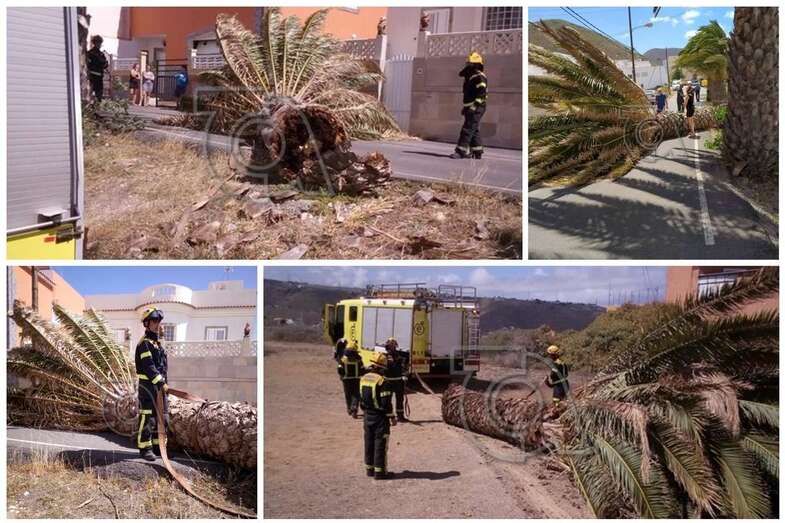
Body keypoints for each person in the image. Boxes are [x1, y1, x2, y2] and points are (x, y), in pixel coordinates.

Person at [135, 307, 169, 461]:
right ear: (147, 324)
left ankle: (158, 446)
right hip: (148, 388)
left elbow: (162, 368)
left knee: (162, 418)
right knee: (147, 418)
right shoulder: (145, 344)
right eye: (154, 321)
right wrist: (161, 382)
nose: (157, 324)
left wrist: (164, 384)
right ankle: (145, 448)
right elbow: (149, 367)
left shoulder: (158, 345)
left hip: (160, 388)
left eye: (158, 321)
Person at [359, 352, 396, 479]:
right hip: (380, 418)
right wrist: (392, 416)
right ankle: (380, 472)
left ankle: (369, 470)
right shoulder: (383, 382)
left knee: (368, 442)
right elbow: (386, 404)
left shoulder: (364, 378)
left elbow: (361, 400)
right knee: (380, 443)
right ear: (382, 367)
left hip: (367, 416)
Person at [450, 52, 487, 160]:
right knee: (473, 129)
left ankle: (460, 152)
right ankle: (477, 151)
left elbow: (482, 94)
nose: (467, 65)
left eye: (470, 64)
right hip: (470, 107)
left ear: (476, 65)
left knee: (467, 129)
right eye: (467, 63)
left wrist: (473, 107)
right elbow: (461, 74)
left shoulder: (479, 77)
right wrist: (465, 108)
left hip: (477, 107)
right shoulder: (470, 76)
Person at [338, 344, 365, 418]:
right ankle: (354, 408)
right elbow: (362, 369)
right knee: (356, 394)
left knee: (348, 394)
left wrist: (342, 376)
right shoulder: (359, 359)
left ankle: (349, 409)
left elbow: (340, 369)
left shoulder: (343, 359)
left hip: (346, 380)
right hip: (356, 379)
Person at [384, 337, 408, 422]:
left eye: (392, 346)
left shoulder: (400, 357)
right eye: (389, 346)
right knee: (387, 400)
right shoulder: (384, 357)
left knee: (400, 399)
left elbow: (404, 368)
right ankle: (388, 416)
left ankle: (400, 416)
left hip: (398, 381)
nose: (391, 348)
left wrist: (404, 375)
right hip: (388, 381)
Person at [86, 35, 109, 102]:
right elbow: (88, 64)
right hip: (92, 77)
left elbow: (105, 64)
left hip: (99, 76)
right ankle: (91, 109)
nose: (99, 44)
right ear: (94, 43)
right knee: (91, 93)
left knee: (99, 94)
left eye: (100, 43)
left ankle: (96, 108)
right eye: (98, 43)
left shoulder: (101, 53)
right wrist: (102, 63)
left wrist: (104, 63)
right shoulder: (90, 53)